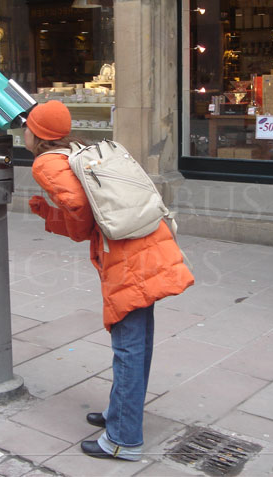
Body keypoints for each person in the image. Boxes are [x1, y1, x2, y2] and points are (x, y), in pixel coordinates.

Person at [24, 100, 194, 460]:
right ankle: (121, 415)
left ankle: (123, 439)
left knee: (128, 346)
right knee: (138, 340)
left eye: (26, 126)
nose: (22, 131)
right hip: (147, 240)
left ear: (37, 134)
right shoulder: (79, 149)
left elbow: (81, 217)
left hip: (128, 254)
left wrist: (46, 214)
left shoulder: (46, 163)